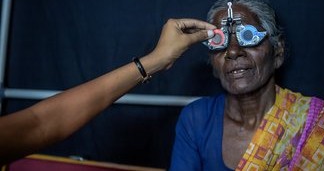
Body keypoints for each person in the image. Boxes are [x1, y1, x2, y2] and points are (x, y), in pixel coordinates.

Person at [169, 0, 324, 170]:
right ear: (213, 62)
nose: (233, 51)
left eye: (248, 37)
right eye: (220, 41)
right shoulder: (197, 119)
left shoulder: (314, 123)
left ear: (278, 52)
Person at [0, 18, 216, 165]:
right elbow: (40, 124)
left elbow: (41, 123)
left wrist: (154, 61)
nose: (234, 52)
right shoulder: (196, 118)